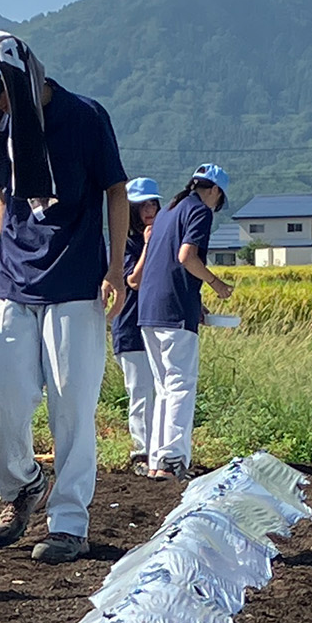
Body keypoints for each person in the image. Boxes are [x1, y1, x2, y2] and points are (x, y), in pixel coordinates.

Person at [0, 40, 130, 564]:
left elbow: (115, 190)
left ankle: (70, 522)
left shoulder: (85, 117)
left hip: (76, 281)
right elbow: (5, 198)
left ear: (22, 76)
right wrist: (5, 259)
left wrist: (115, 266)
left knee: (71, 404)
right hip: (15, 282)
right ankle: (24, 484)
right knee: (2, 394)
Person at [130, 164, 233, 480]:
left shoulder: (169, 211)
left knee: (163, 386)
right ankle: (172, 461)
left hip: (148, 309)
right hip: (175, 310)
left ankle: (157, 460)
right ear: (214, 191)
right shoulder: (200, 212)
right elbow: (186, 257)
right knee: (179, 384)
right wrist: (217, 284)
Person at [114, 178, 164, 473]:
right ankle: (141, 451)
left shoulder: (160, 241)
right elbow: (134, 280)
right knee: (141, 392)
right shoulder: (125, 243)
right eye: (143, 204)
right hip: (131, 327)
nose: (149, 209)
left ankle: (158, 449)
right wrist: (147, 245)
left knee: (160, 391)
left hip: (156, 325)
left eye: (153, 203)